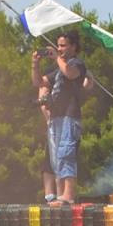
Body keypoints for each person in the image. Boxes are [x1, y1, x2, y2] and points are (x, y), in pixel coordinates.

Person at [33, 30, 91, 204]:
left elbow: (70, 73)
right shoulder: (58, 69)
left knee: (67, 153)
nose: (59, 49)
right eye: (58, 45)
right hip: (56, 117)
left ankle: (69, 195)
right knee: (56, 157)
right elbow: (39, 82)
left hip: (69, 116)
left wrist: (57, 57)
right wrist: (35, 65)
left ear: (73, 47)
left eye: (63, 46)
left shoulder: (77, 64)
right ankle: (59, 195)